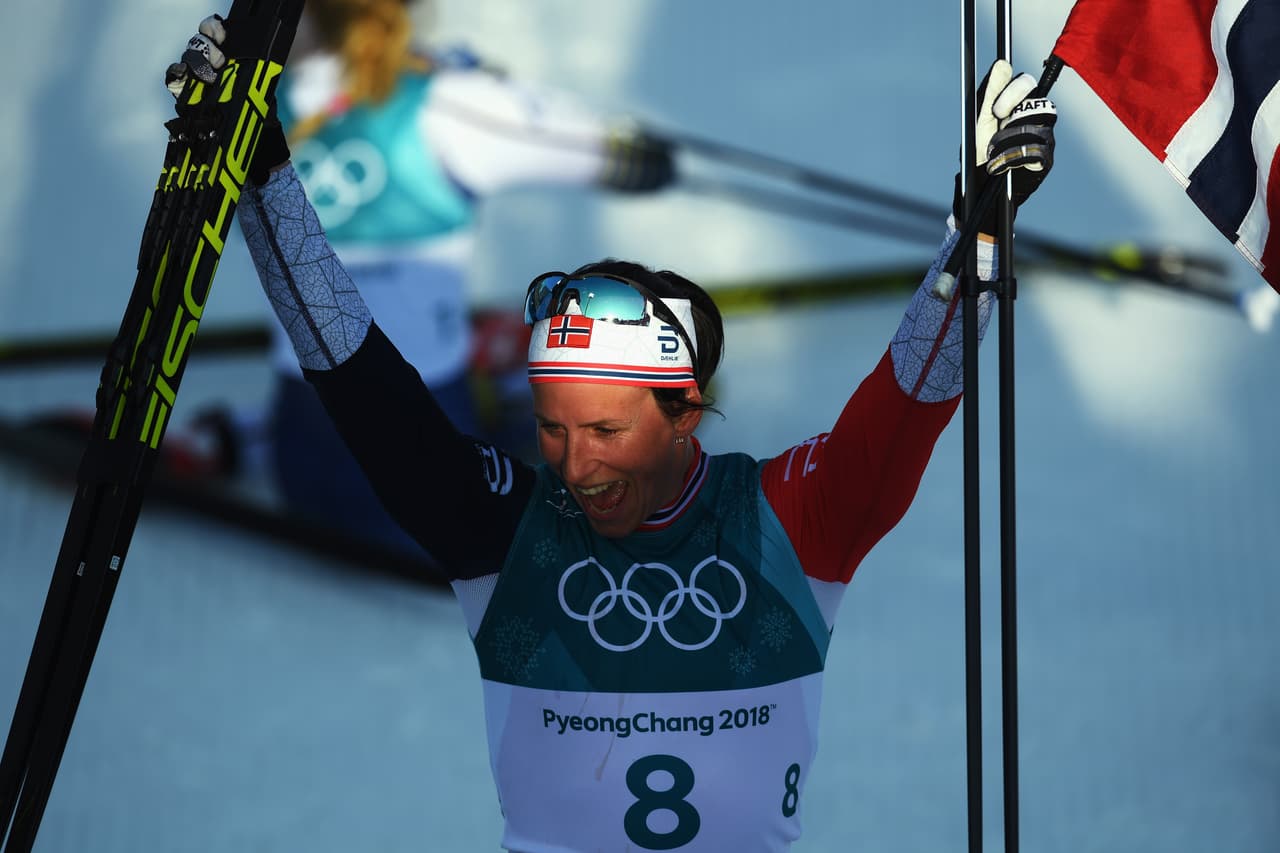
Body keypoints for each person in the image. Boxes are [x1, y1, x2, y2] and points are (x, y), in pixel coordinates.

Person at [170, 14, 1056, 852]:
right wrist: (262, 174)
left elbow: (909, 397)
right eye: (552, 428)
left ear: (684, 412)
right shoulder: (511, 530)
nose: (575, 464)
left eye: (605, 427)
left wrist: (975, 238)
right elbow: (361, 382)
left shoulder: (789, 517)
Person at [187, 0, 676, 558]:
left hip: (301, 476)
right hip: (423, 510)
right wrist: (642, 158)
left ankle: (248, 437)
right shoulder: (450, 102)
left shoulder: (265, 104)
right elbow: (599, 152)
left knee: (348, 352)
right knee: (561, 352)